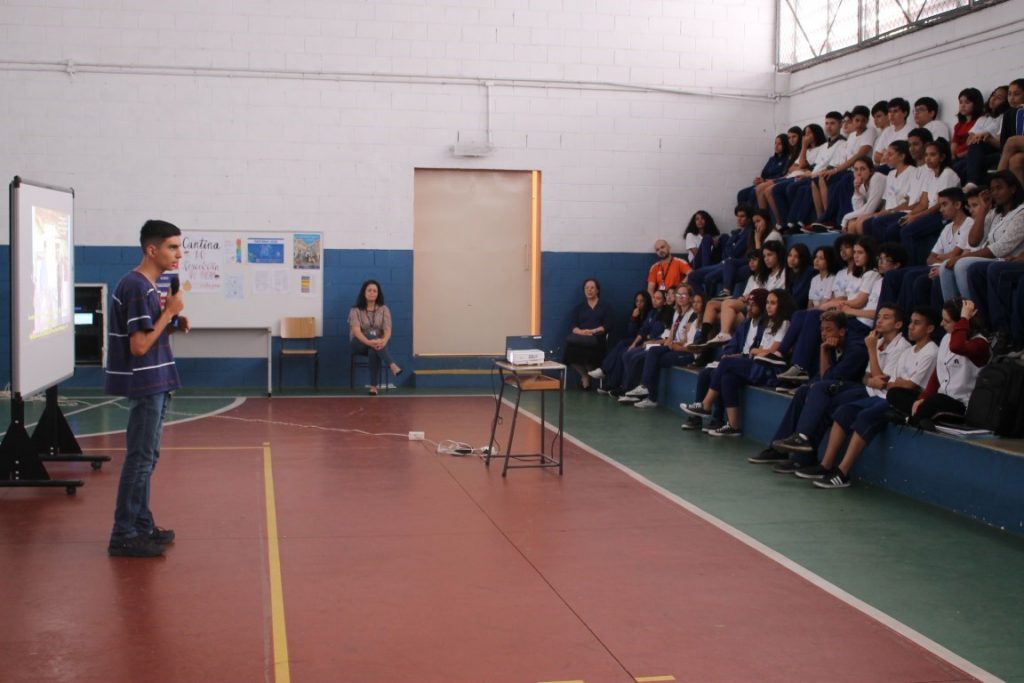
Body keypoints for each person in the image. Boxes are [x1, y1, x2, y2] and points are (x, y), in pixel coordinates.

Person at [106, 219, 188, 558]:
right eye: (172, 247)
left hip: (159, 379)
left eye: (180, 247)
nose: (179, 254)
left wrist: (170, 322)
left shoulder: (152, 287)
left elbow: (150, 333)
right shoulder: (138, 287)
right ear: (151, 250)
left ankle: (141, 524)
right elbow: (138, 346)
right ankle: (123, 532)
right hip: (146, 382)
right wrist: (168, 314)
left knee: (148, 456)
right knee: (139, 459)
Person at [809, 307, 939, 488]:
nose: (911, 327)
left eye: (917, 323)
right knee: (844, 411)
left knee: (865, 416)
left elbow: (906, 385)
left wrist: (890, 377)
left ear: (930, 328)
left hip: (904, 401)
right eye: (911, 322)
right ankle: (826, 465)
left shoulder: (930, 351)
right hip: (886, 394)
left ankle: (843, 472)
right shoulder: (909, 351)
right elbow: (883, 380)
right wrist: (892, 382)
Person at [681, 289, 795, 436]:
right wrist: (752, 352)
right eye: (768, 302)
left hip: (769, 369)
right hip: (757, 363)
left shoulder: (784, 323)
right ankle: (734, 427)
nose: (769, 306)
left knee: (726, 363)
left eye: (773, 303)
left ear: (782, 305)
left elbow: (772, 351)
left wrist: (754, 352)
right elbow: (758, 349)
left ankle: (706, 405)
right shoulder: (769, 323)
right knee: (727, 378)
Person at [908, 299, 990, 428]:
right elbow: (937, 374)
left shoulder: (980, 343)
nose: (941, 324)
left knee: (935, 400)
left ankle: (911, 420)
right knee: (896, 393)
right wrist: (922, 398)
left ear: (961, 323)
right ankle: (917, 416)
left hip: (962, 404)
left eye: (946, 321)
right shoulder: (946, 337)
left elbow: (958, 347)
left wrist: (964, 318)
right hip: (941, 397)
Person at [349, 279, 402, 395]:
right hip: (359, 343)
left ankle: (373, 387)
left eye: (375, 291)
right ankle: (392, 364)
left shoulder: (384, 309)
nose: (372, 293)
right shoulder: (355, 310)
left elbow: (388, 329)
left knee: (374, 350)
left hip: (377, 345)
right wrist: (370, 342)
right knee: (371, 337)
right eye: (369, 290)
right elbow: (356, 331)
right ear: (364, 292)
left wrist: (384, 340)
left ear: (378, 294)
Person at [563, 278, 613, 389]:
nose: (589, 290)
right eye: (586, 288)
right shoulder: (579, 308)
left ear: (597, 290)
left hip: (597, 338)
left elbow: (608, 325)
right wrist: (581, 332)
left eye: (592, 288)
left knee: (590, 352)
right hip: (581, 337)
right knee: (570, 350)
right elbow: (573, 326)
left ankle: (591, 372)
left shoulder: (605, 307)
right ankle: (585, 376)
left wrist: (593, 331)